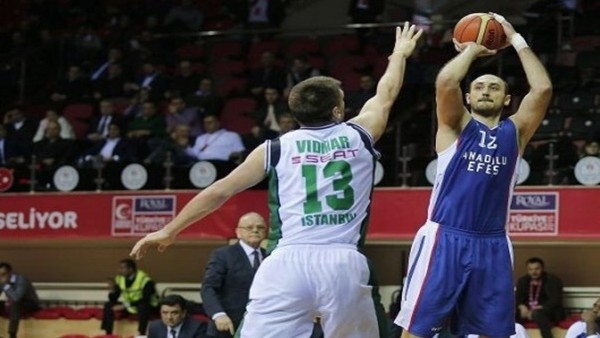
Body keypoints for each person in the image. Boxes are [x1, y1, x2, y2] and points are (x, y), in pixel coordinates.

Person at [130, 22, 422, 338]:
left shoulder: (276, 147)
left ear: (295, 115)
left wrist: (169, 229)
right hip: (343, 262)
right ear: (338, 111)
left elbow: (219, 191)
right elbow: (386, 94)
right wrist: (399, 53)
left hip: (286, 262)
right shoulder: (359, 134)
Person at [395, 13, 553, 338]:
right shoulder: (455, 127)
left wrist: (516, 40)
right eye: (478, 87)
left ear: (507, 99)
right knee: (417, 330)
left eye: (494, 87)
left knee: (492, 333)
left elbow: (543, 88)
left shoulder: (517, 131)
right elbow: (445, 83)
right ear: (467, 98)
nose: (485, 91)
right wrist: (471, 49)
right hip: (444, 237)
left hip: (493, 242)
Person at [201, 212, 267, 338]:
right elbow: (208, 288)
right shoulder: (223, 255)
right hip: (227, 328)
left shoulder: (271, 257)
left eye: (260, 227)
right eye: (249, 227)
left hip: (261, 328)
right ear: (238, 232)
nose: (255, 230)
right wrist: (218, 314)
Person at [101, 258, 159, 336]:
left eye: (122, 268)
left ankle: (141, 333)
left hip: (149, 306)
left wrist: (125, 305)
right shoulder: (120, 279)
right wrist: (113, 289)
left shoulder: (145, 280)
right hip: (130, 306)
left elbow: (146, 299)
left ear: (131, 269)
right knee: (108, 304)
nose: (120, 270)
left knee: (143, 306)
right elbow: (114, 298)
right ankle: (108, 333)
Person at [515, 257, 565, 338]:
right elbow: (517, 298)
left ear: (542, 268)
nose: (533, 272)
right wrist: (521, 306)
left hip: (548, 311)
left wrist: (539, 308)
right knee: (512, 312)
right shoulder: (523, 281)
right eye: (530, 269)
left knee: (538, 314)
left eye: (537, 269)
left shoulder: (552, 280)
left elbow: (556, 300)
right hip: (527, 312)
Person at [0, 262, 40, 338]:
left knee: (15, 305)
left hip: (30, 303)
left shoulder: (21, 280)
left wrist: (5, 285)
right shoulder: (1, 281)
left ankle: (12, 334)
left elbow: (16, 298)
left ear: (10, 273)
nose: (1, 277)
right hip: (12, 303)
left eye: (3, 274)